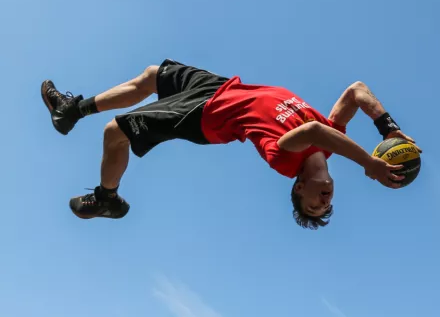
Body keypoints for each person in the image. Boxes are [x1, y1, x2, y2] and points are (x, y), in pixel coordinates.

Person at [39, 59, 420, 229]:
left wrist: (368, 164)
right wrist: (388, 128)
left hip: (204, 116)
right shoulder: (334, 134)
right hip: (222, 87)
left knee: (114, 132)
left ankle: (107, 198)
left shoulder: (285, 161)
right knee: (152, 76)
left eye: (315, 205)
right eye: (327, 204)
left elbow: (311, 134)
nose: (325, 200)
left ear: (299, 187)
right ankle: (72, 110)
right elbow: (356, 91)